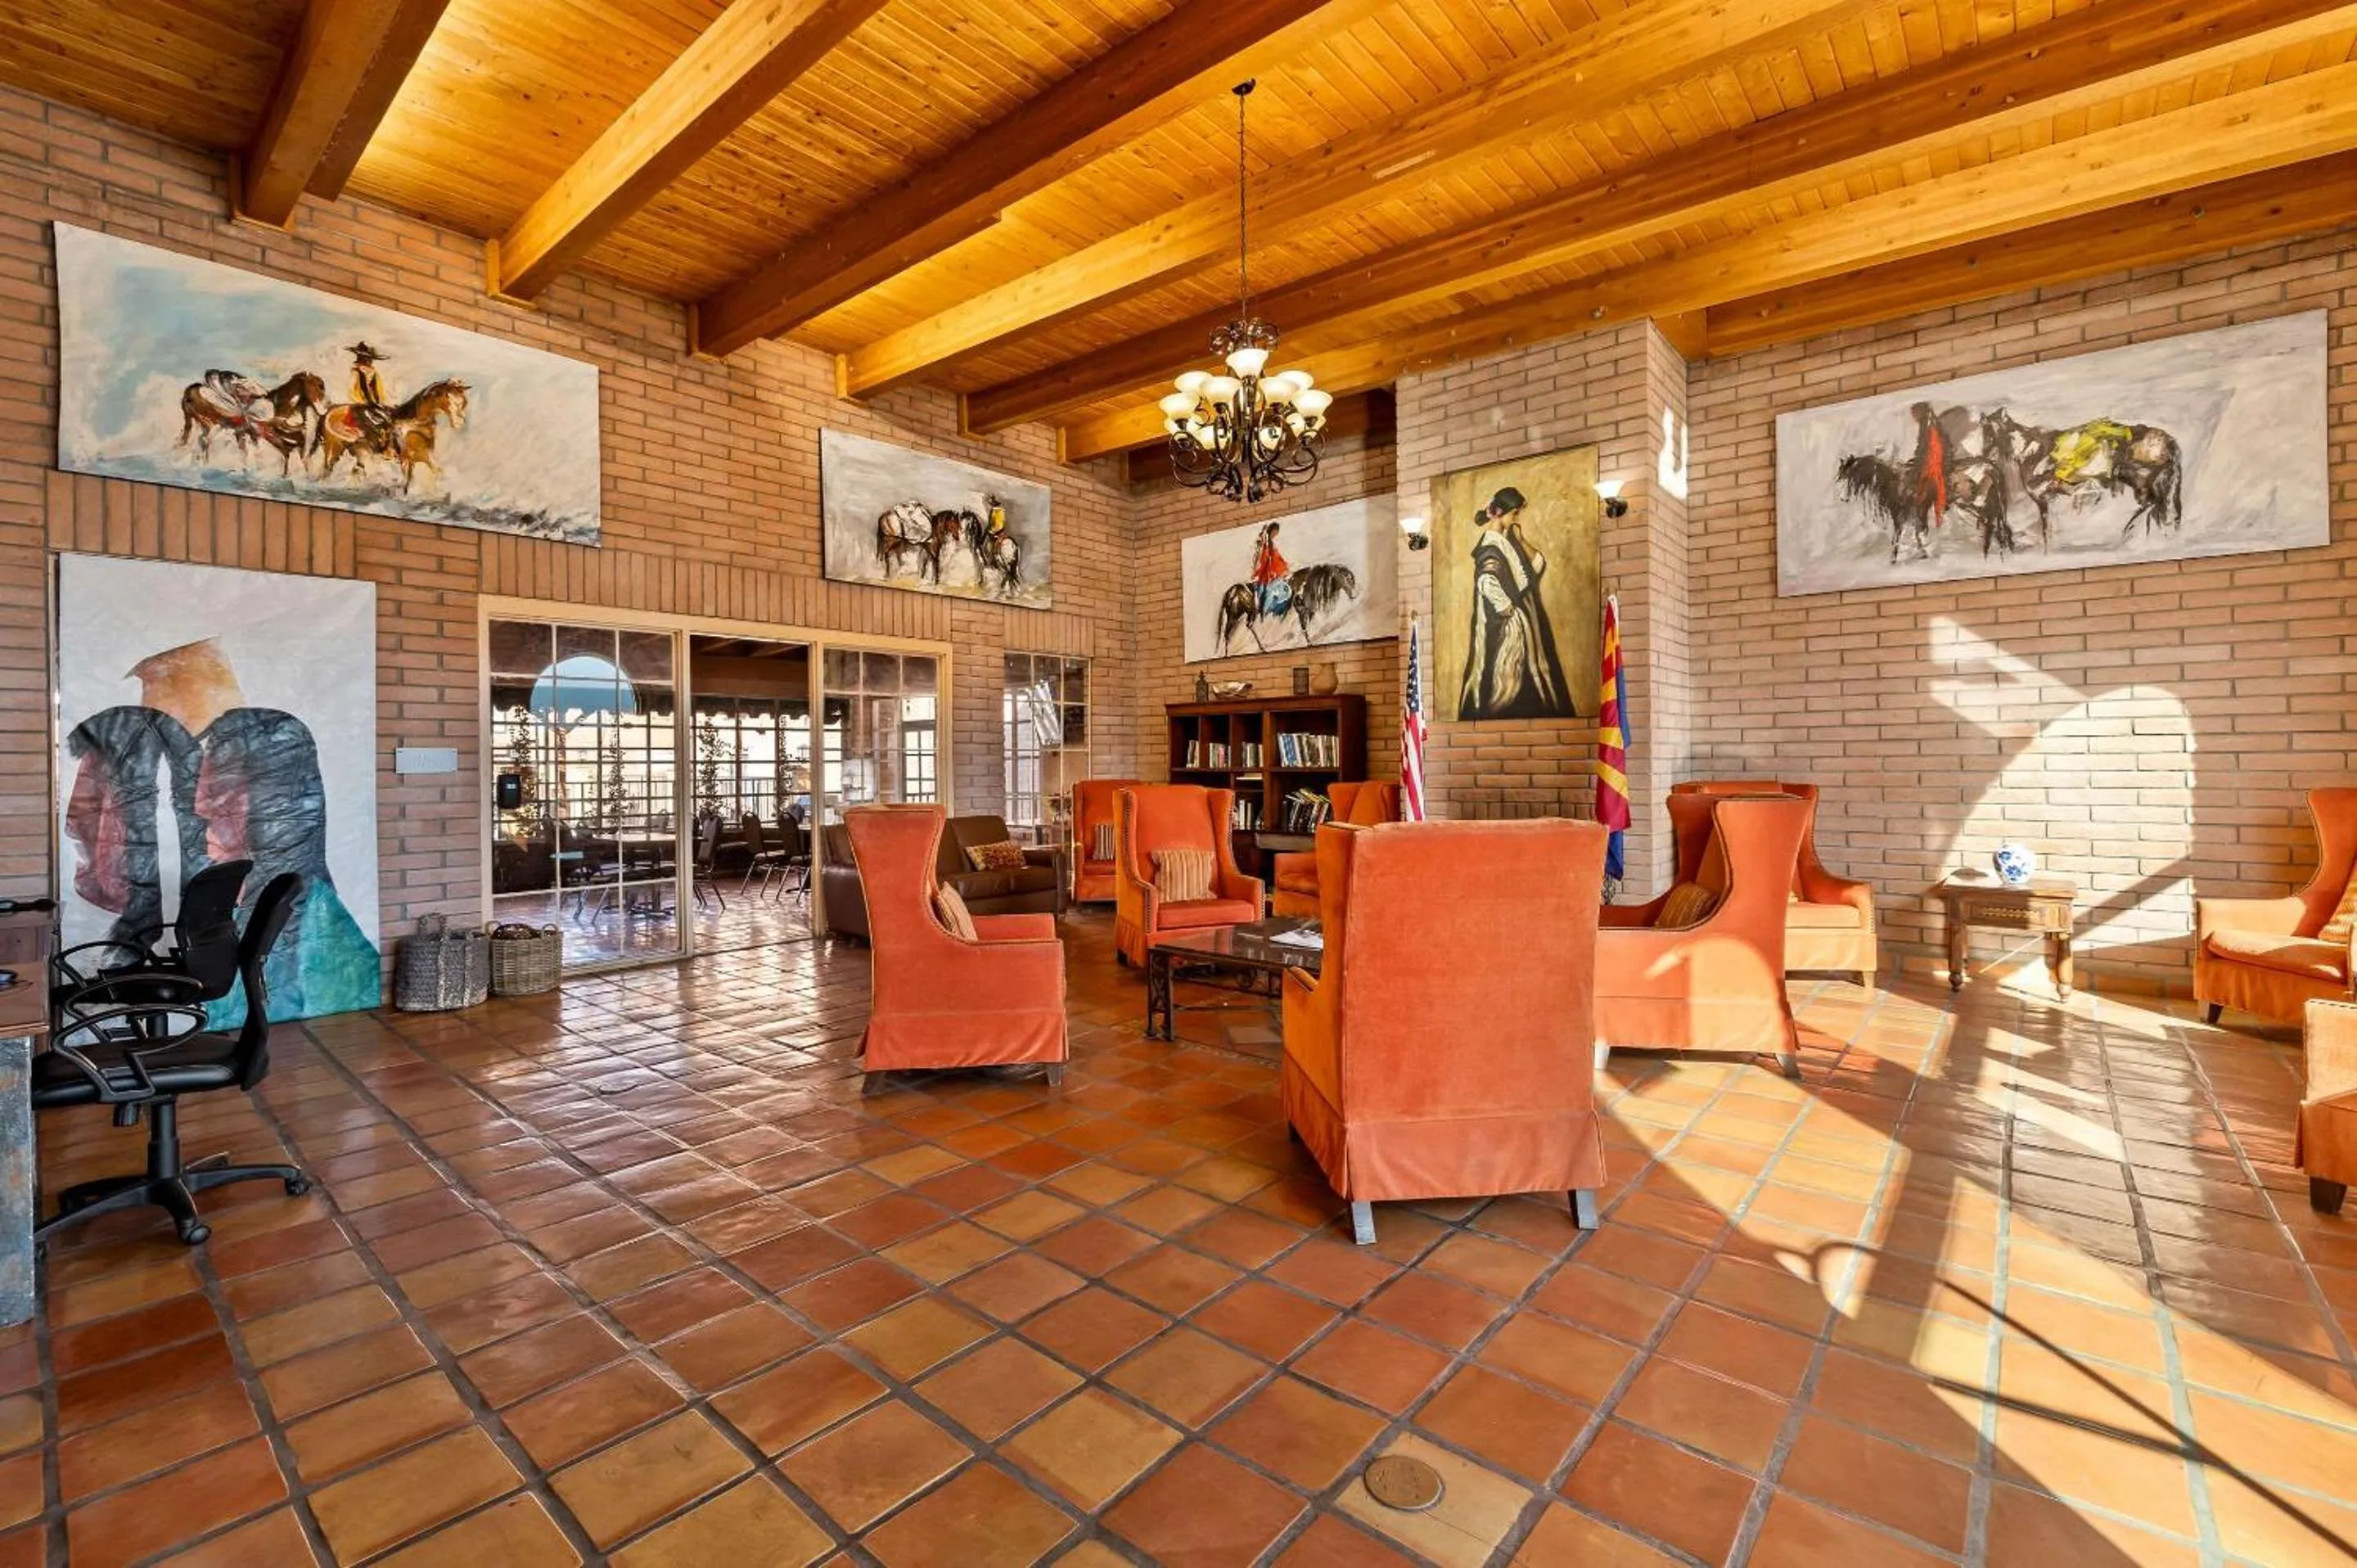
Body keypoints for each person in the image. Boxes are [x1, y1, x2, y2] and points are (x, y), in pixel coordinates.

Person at [1457, 487, 1574, 721]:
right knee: (1507, 677)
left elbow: (1537, 566)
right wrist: (1506, 607)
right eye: (1515, 513)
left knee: (1533, 672)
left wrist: (1521, 539)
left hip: (1527, 618)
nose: (1517, 518)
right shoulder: (1491, 545)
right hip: (1507, 626)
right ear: (1500, 513)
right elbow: (1486, 580)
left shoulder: (1508, 541)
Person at [346, 341, 391, 444]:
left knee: (387, 419)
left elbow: (380, 391)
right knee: (367, 421)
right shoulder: (356, 372)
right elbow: (352, 391)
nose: (368, 361)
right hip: (361, 405)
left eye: (370, 358)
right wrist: (362, 402)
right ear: (360, 358)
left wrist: (379, 403)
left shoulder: (374, 374)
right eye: (366, 358)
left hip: (374, 405)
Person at [1251, 520, 1290, 619]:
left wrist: (1283, 570)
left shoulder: (1271, 547)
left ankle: (1266, 612)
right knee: (1265, 592)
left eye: (1276, 533)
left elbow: (1276, 560)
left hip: (1271, 575)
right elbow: (1262, 560)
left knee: (1269, 591)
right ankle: (1263, 613)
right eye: (1275, 532)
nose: (1276, 535)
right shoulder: (1265, 546)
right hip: (1265, 576)